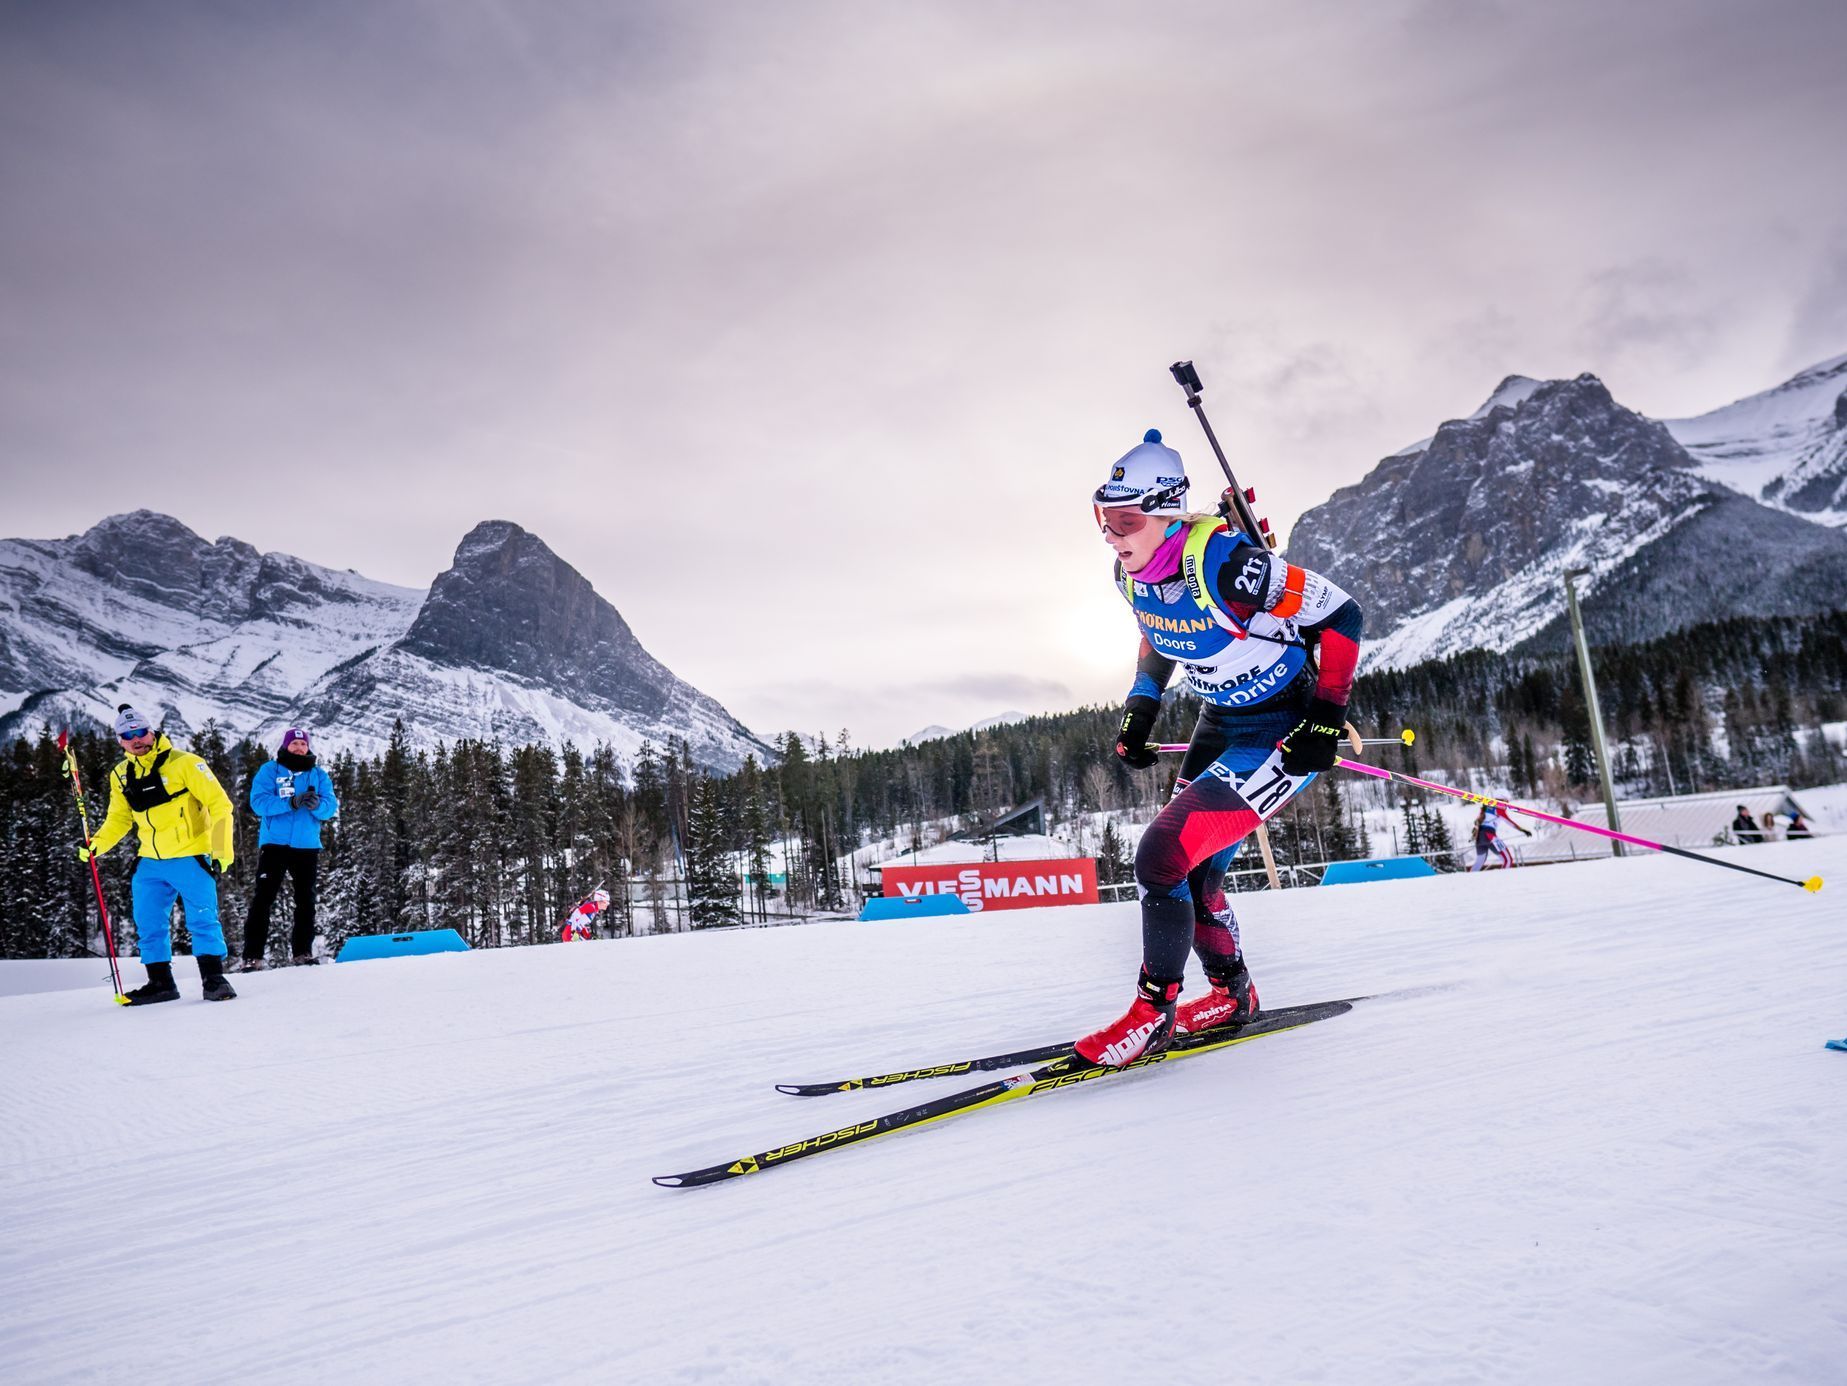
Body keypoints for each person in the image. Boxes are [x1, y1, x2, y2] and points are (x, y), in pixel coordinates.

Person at [1074, 430, 1365, 1068]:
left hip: (1279, 730)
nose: (1113, 535)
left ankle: (1153, 1013)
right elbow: (1157, 634)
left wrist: (1324, 718)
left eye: (1126, 519)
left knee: (1159, 856)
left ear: (1167, 511)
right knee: (1196, 871)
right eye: (1104, 520)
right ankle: (1234, 995)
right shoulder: (1130, 576)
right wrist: (1141, 705)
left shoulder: (1229, 566)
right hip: (1220, 720)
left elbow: (1343, 616)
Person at [79, 704, 237, 1003]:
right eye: (128, 735)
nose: (136, 739)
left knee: (203, 918)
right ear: (120, 740)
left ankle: (214, 980)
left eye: (140, 732)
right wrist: (96, 844)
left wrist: (221, 850)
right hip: (150, 860)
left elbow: (220, 805)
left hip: (191, 855)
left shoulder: (186, 763)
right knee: (148, 921)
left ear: (152, 732)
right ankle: (161, 983)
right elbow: (120, 819)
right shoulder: (121, 774)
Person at [242, 728, 339, 969]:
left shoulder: (318, 775)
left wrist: (317, 805)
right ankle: (252, 957)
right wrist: (291, 802)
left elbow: (330, 808)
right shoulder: (270, 770)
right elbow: (258, 803)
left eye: (302, 744)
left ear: (308, 747)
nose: (298, 748)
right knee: (263, 899)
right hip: (274, 844)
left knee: (306, 900)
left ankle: (302, 953)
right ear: (286, 746)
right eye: (294, 743)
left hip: (306, 846)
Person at [1469, 802, 1530, 871]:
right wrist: (1523, 830)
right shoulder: (1499, 808)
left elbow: (1478, 820)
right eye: (1506, 801)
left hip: (1479, 837)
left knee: (1479, 862)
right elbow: (1509, 822)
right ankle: (1503, 879)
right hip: (1489, 835)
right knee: (1508, 860)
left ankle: (1468, 879)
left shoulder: (1486, 807)